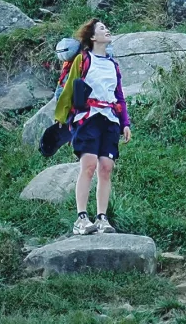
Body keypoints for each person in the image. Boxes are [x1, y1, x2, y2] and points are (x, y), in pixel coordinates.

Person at [51, 17, 131, 235]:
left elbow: (119, 95)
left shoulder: (113, 65)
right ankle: (81, 218)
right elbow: (68, 89)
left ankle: (102, 218)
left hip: (110, 120)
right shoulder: (83, 60)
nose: (107, 30)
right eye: (102, 28)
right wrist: (62, 118)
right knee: (88, 167)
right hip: (87, 118)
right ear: (93, 37)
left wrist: (125, 122)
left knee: (106, 168)